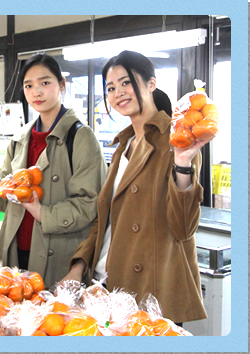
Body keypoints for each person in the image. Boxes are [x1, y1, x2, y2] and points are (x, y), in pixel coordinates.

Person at [61, 50, 209, 324]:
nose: (118, 92)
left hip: (150, 296)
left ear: (151, 84)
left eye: (126, 82)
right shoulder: (124, 145)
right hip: (106, 286)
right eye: (110, 87)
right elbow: (106, 221)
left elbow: (183, 228)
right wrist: (79, 266)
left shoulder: (177, 140)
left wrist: (184, 164)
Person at [0, 53, 107, 287]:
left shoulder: (81, 138)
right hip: (15, 253)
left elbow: (89, 205)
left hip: (57, 255)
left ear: (62, 85)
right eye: (29, 85)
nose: (36, 92)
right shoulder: (20, 139)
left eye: (45, 83)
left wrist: (41, 212)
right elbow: (6, 196)